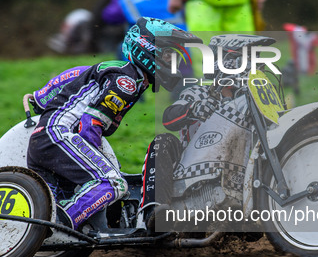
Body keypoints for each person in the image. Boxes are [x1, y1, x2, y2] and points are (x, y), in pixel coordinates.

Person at [27, 17, 202, 231]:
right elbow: (90, 124)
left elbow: (75, 73)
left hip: (46, 141)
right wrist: (99, 162)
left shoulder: (118, 70)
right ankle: (58, 226)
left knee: (60, 199)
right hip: (58, 136)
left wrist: (40, 97)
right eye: (168, 56)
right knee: (113, 182)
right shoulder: (126, 82)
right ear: (146, 48)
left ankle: (50, 228)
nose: (173, 64)